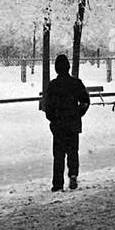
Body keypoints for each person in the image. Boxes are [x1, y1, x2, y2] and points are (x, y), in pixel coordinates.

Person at [43, 54, 90, 191]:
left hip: (58, 125)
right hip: (72, 124)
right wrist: (77, 113)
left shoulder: (53, 85)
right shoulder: (76, 83)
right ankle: (73, 174)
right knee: (73, 151)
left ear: (56, 69)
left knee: (58, 155)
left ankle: (57, 183)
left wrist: (53, 118)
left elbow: (48, 106)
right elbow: (85, 101)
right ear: (68, 67)